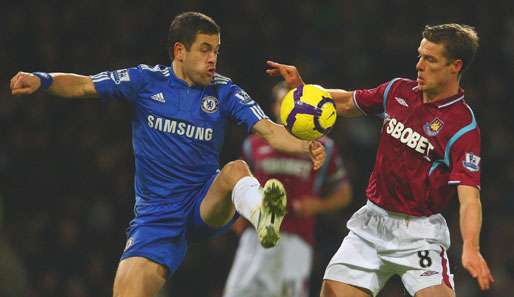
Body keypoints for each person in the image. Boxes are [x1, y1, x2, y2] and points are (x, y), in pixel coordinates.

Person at [9, 12, 325, 297]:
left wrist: (305, 146)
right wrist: (43, 80)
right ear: (179, 51)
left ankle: (263, 215)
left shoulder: (225, 90)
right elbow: (84, 86)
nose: (213, 58)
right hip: (157, 217)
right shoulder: (145, 81)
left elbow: (269, 129)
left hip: (204, 201)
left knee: (235, 170)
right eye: (204, 49)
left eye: (216, 50)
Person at [266, 23, 494, 297]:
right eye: (420, 55)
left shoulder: (462, 128)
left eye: (430, 59)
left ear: (455, 66)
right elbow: (347, 102)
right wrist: (304, 91)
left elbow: (470, 198)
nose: (419, 65)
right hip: (371, 225)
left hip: (419, 234)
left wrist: (471, 247)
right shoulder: (398, 90)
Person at [223, 82, 352, 297]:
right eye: (284, 103)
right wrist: (235, 219)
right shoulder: (254, 144)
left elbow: (344, 193)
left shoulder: (322, 147)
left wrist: (318, 205)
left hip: (296, 236)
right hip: (255, 234)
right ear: (275, 107)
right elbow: (239, 183)